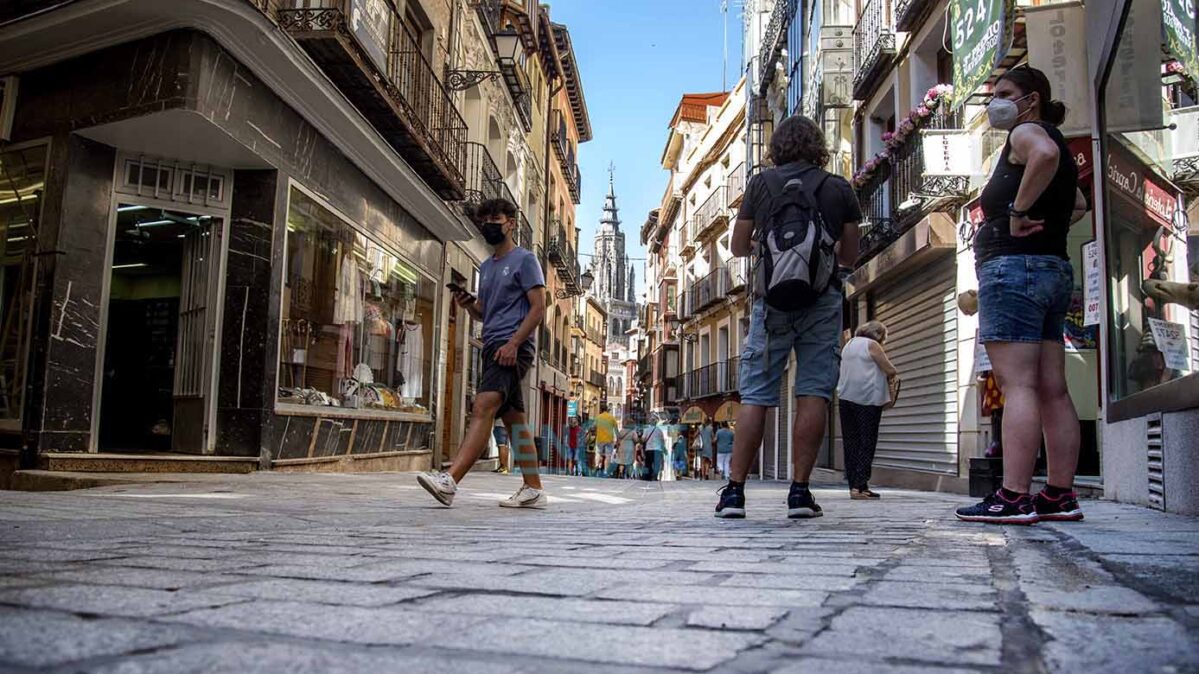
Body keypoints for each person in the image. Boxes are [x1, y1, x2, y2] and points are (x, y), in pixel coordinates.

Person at [956, 66, 1088, 525]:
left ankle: (1013, 496)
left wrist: (1018, 210)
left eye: (1005, 93)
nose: (996, 101)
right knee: (1053, 388)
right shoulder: (1057, 141)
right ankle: (1059, 494)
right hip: (1052, 268)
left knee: (1020, 387)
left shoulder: (1028, 133)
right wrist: (1043, 219)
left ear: (1031, 100)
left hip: (1014, 270)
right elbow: (1079, 205)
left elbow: (1045, 155)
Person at [716, 114, 861, 519]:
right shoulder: (838, 188)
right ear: (818, 147)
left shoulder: (761, 185)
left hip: (771, 302)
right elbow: (850, 256)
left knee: (757, 395)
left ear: (776, 149)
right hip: (822, 300)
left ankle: (734, 493)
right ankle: (799, 492)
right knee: (813, 392)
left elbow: (739, 246)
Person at [417, 198, 548, 509]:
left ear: (511, 223)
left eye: (497, 217)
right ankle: (534, 489)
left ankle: (450, 481)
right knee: (514, 421)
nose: (490, 223)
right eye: (486, 218)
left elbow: (539, 308)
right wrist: (469, 304)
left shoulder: (525, 260)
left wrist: (514, 344)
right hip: (493, 344)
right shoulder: (487, 267)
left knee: (483, 405)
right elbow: (485, 312)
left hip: (511, 346)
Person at [837, 321, 898, 500]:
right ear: (879, 335)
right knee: (867, 442)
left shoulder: (848, 345)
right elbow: (889, 369)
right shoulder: (872, 345)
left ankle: (856, 487)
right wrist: (893, 372)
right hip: (867, 399)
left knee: (851, 443)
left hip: (846, 399)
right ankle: (859, 486)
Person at [594, 404, 618, 475]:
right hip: (609, 439)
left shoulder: (598, 417)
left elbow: (594, 427)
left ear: (601, 410)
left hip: (600, 438)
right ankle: (606, 470)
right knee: (608, 455)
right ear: (607, 410)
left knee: (598, 453)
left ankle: (596, 465)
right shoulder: (612, 418)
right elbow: (616, 429)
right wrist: (618, 439)